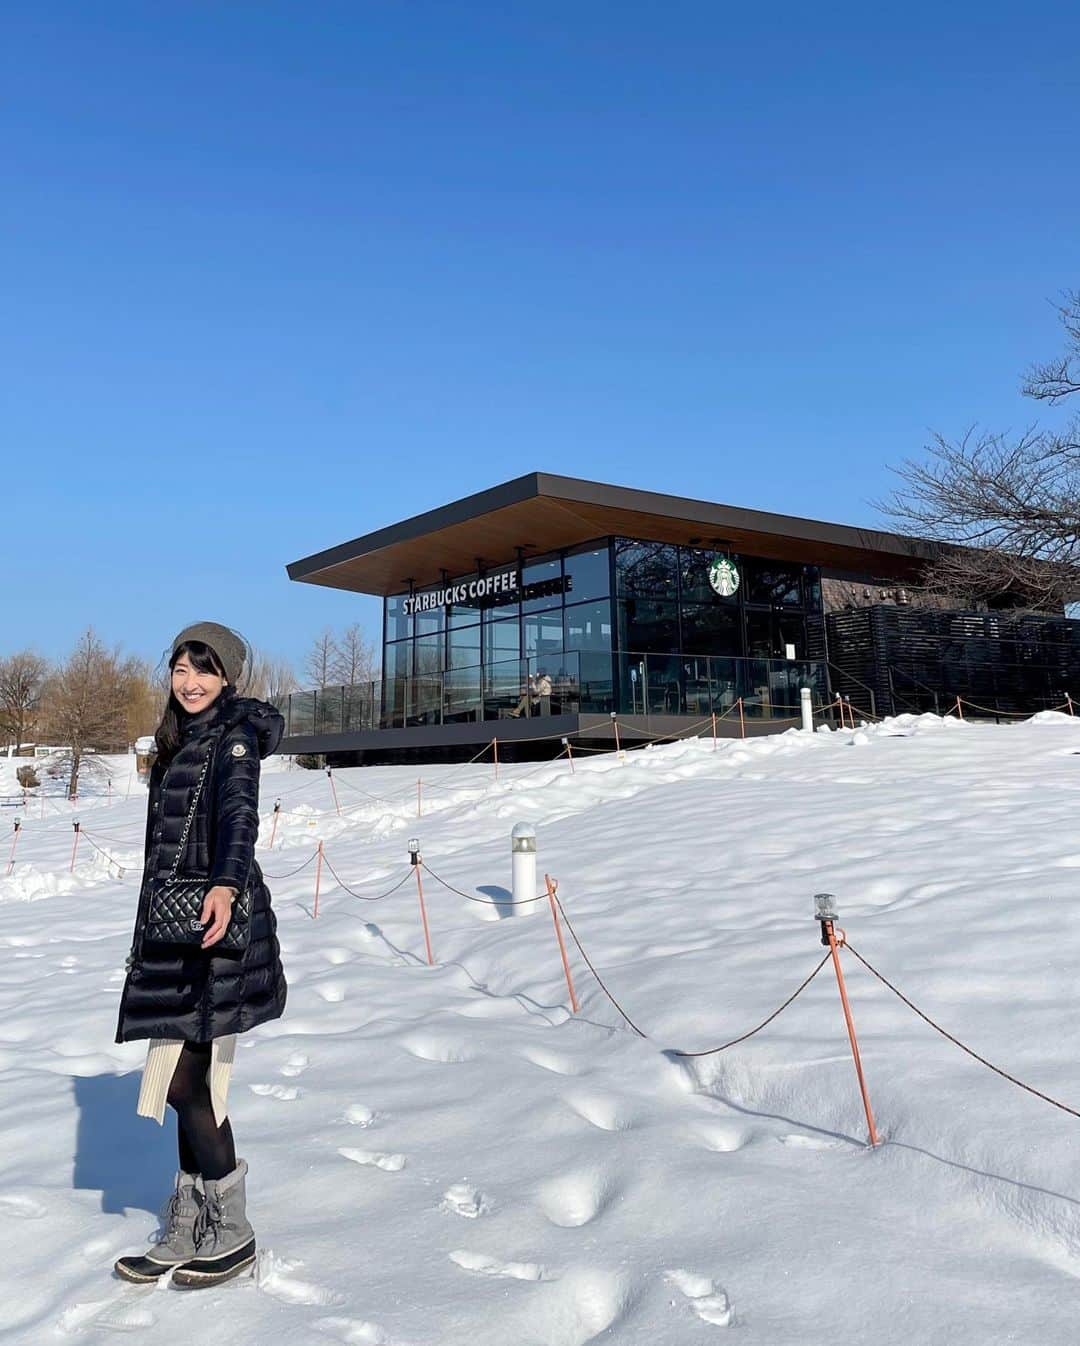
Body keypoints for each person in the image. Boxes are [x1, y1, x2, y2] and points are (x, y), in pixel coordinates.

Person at [114, 622, 287, 1289]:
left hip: (213, 933)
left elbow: (240, 819)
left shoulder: (233, 740)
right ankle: (188, 1223)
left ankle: (232, 1229)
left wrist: (222, 882)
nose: (189, 682)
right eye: (181, 668)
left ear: (229, 678)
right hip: (174, 931)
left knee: (191, 1085)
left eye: (204, 671)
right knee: (180, 1080)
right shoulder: (180, 740)